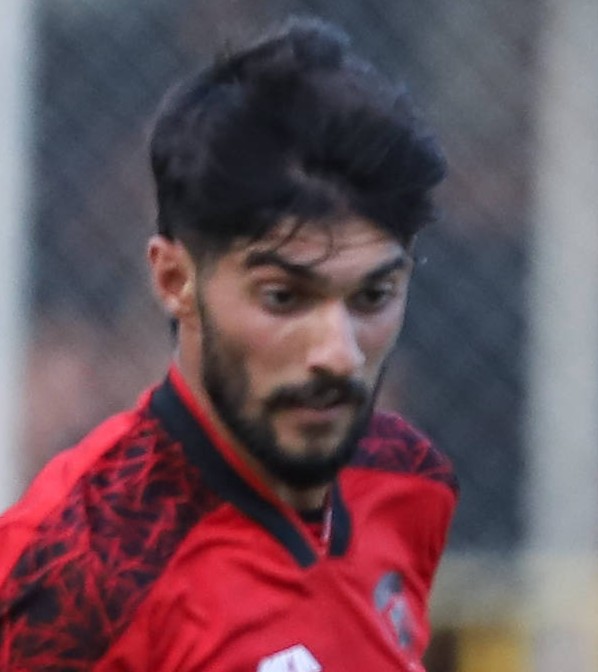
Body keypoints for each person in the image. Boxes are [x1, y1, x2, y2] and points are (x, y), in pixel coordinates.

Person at [0, 17, 458, 672]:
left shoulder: (408, 480)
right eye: (284, 298)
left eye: (372, 296)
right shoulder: (78, 573)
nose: (339, 353)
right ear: (174, 280)